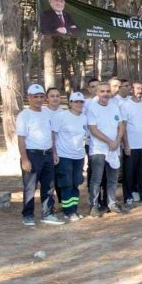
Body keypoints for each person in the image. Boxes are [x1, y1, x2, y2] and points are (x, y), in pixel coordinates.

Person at [16, 84, 64, 226]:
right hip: (32, 155)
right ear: (29, 98)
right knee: (30, 187)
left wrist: (54, 152)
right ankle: (28, 215)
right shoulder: (24, 115)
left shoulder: (46, 113)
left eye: (41, 96)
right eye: (35, 97)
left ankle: (48, 213)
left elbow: (51, 134)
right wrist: (24, 159)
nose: (38, 99)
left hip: (47, 154)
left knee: (49, 186)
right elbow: (21, 138)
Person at [87, 82, 125, 216]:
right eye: (102, 91)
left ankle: (112, 203)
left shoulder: (114, 107)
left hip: (114, 149)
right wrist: (109, 141)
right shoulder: (92, 107)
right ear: (97, 93)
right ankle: (94, 205)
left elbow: (121, 126)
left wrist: (117, 140)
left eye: (108, 91)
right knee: (96, 179)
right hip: (99, 149)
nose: (105, 94)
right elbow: (93, 129)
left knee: (113, 179)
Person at [51, 91, 87, 221]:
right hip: (64, 155)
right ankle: (68, 211)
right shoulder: (61, 116)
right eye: (75, 101)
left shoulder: (84, 117)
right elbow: (53, 135)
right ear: (70, 103)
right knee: (66, 184)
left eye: (81, 102)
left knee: (76, 183)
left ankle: (74, 209)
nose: (78, 104)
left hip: (79, 156)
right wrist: (54, 153)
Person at [120, 82, 142, 206]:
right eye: (137, 89)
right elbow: (123, 126)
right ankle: (128, 196)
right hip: (131, 146)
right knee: (129, 173)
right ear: (132, 90)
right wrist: (126, 145)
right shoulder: (125, 105)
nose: (140, 91)